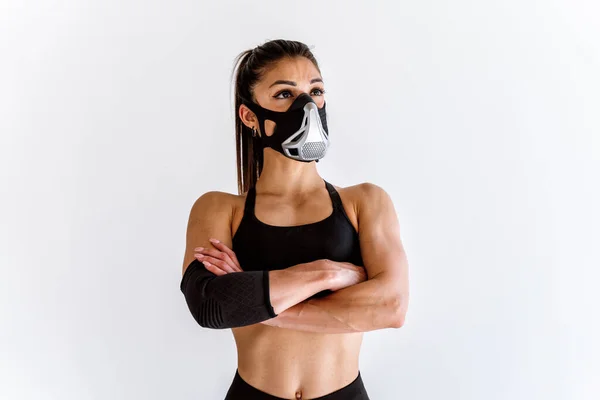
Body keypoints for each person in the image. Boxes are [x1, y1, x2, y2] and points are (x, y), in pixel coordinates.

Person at [179, 39, 410, 400]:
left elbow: (391, 306)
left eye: (315, 91)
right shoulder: (220, 208)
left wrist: (253, 300)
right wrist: (329, 274)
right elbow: (210, 304)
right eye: (285, 94)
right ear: (250, 115)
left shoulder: (364, 201)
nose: (307, 106)